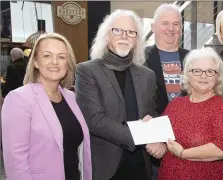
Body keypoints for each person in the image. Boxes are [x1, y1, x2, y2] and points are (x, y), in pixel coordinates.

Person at [75, 9, 166, 180]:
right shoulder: (87, 71)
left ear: (137, 40)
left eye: (131, 32)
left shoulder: (147, 75)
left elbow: (151, 113)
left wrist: (157, 136)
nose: (124, 36)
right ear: (107, 35)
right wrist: (143, 137)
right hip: (106, 168)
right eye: (118, 30)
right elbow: (94, 120)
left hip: (141, 166)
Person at [1, 33, 92, 180]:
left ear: (67, 65)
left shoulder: (71, 98)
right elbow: (16, 164)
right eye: (47, 55)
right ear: (35, 62)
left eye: (61, 57)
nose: (55, 62)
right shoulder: (19, 99)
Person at [157, 47, 223, 180]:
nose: (203, 76)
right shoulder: (175, 105)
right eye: (197, 71)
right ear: (187, 75)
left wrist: (183, 153)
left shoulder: (222, 107)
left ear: (218, 77)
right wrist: (148, 124)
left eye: (210, 71)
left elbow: (221, 149)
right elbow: (160, 133)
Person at [144, 5, 189, 177]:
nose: (171, 29)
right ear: (153, 27)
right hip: (156, 148)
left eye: (176, 24)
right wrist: (153, 137)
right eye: (165, 23)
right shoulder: (140, 59)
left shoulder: (193, 58)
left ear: (181, 29)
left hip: (190, 145)